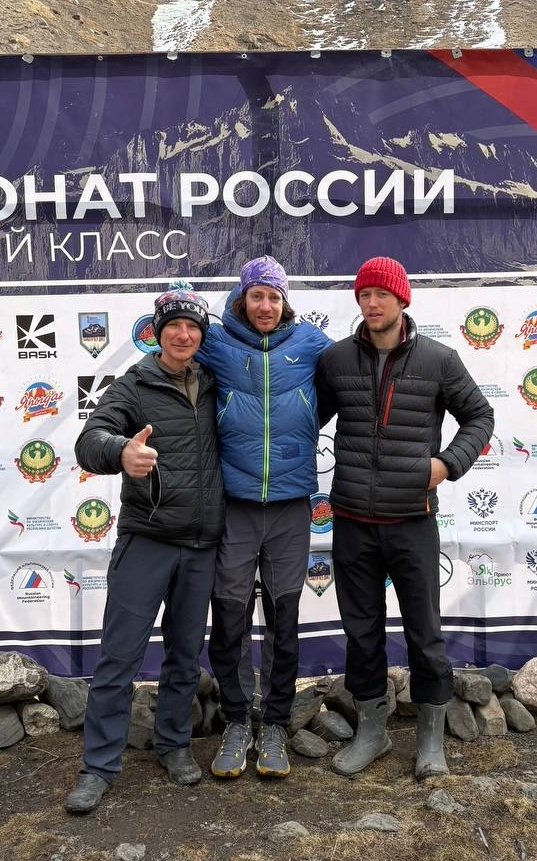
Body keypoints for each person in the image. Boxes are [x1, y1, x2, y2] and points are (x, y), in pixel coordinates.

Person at [315, 256, 493, 780]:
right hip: (351, 519)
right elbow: (305, 419)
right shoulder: (335, 360)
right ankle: (372, 733)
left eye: (381, 295)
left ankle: (430, 740)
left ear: (402, 299)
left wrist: (447, 464)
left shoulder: (439, 360)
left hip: (413, 518)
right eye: (364, 295)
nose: (371, 304)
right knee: (362, 632)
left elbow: (480, 415)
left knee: (425, 633)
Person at [64, 285, 224, 815]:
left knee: (185, 656)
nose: (183, 334)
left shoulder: (217, 382)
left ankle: (173, 744)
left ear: (202, 334)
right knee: (120, 656)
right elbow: (90, 441)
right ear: (157, 332)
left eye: (193, 326)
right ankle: (98, 766)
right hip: (147, 539)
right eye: (174, 325)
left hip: (202, 544)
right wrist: (121, 452)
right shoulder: (134, 385)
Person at [196, 255, 331, 778]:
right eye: (257, 295)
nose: (266, 306)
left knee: (283, 617)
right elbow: (172, 352)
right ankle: (236, 720)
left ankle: (273, 722)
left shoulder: (311, 344)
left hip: (291, 505)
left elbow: (346, 385)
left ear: (285, 301)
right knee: (229, 615)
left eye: (275, 296)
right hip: (234, 503)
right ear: (242, 299)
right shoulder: (216, 341)